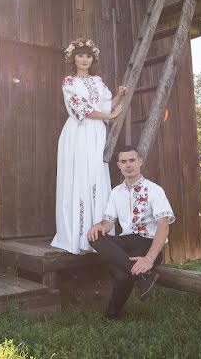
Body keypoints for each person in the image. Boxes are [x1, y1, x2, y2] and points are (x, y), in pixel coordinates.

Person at [50, 38, 127, 255]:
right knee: (79, 177)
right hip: (79, 131)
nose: (84, 59)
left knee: (95, 175)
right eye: (80, 55)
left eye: (88, 56)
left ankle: (97, 235)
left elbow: (106, 105)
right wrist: (108, 115)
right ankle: (77, 235)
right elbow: (81, 110)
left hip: (96, 132)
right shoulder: (69, 82)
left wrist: (119, 95)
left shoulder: (98, 81)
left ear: (92, 59)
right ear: (73, 58)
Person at [88, 146, 175, 319]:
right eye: (124, 161)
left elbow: (163, 226)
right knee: (95, 237)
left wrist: (149, 258)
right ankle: (144, 276)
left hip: (148, 243)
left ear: (140, 162)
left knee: (122, 274)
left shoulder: (154, 190)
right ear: (119, 165)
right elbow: (108, 222)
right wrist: (99, 226)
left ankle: (111, 315)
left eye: (132, 160)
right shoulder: (116, 192)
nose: (128, 165)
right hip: (127, 241)